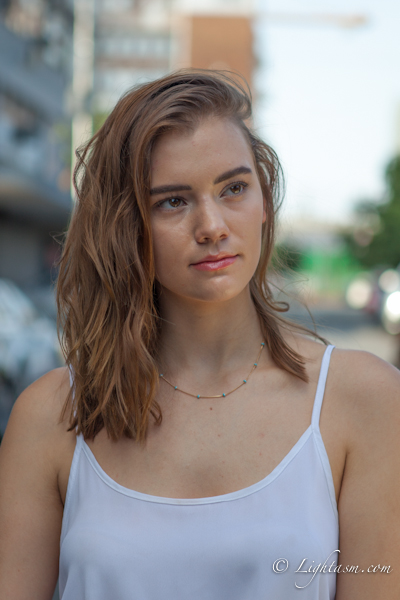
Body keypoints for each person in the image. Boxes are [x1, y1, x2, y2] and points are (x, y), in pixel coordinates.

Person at [0, 70, 399, 600]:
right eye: (173, 201)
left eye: (234, 188)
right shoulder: (50, 417)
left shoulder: (363, 400)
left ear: (263, 200)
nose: (212, 225)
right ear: (127, 227)